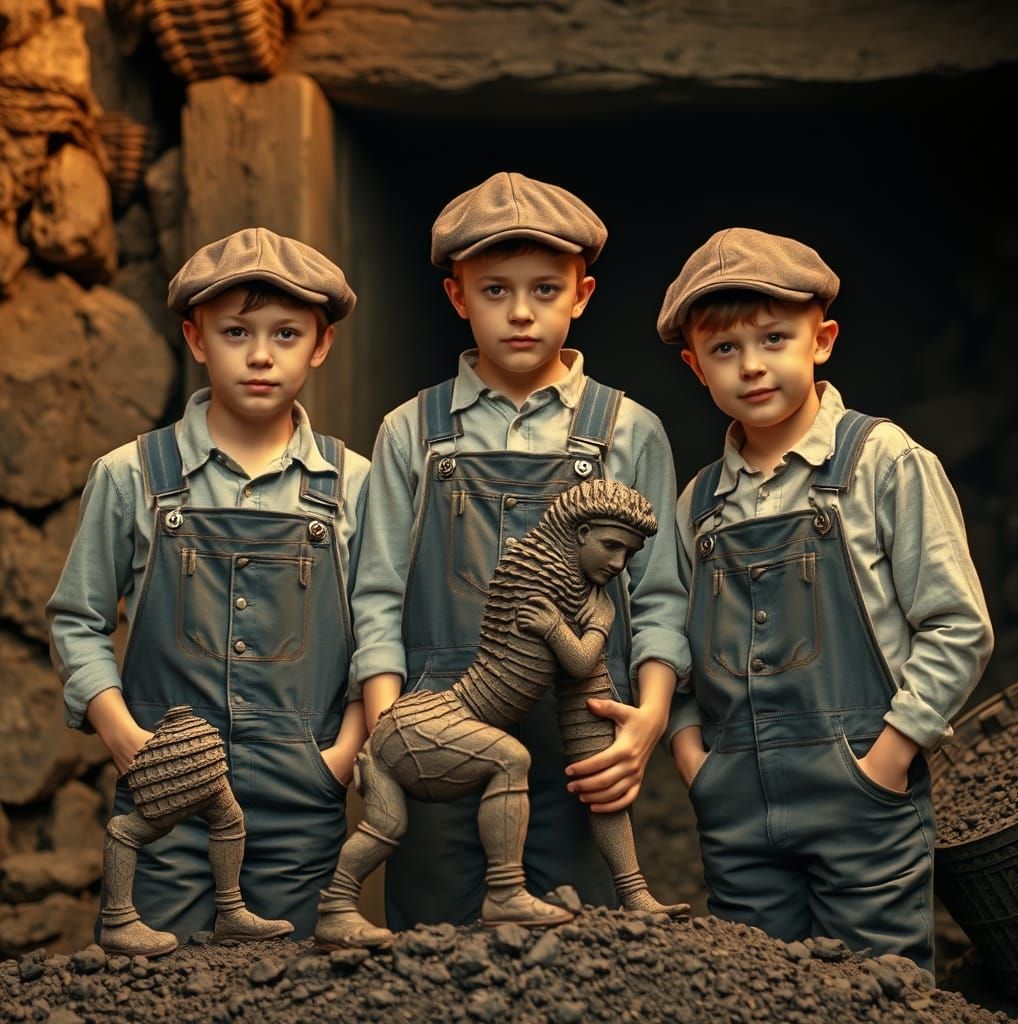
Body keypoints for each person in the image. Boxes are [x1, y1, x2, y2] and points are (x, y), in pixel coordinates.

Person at [349, 171, 689, 929]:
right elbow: (375, 593)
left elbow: (662, 596)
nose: (521, 312)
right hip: (441, 720)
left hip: (579, 737)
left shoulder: (631, 431)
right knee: (432, 945)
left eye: (544, 289)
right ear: (457, 297)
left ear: (583, 294)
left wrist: (649, 718)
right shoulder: (412, 431)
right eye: (495, 290)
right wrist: (385, 724)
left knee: (577, 948)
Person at [659, 226, 994, 970]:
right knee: (758, 990)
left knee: (881, 990)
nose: (752, 365)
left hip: (862, 798)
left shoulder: (884, 462)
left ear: (823, 339)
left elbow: (957, 625)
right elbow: (672, 656)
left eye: (775, 338)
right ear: (694, 367)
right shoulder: (696, 507)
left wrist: (888, 757)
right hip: (736, 811)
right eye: (724, 349)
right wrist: (695, 761)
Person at [46, 227, 371, 947]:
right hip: (165, 787)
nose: (260, 355)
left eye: (286, 333)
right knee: (155, 983)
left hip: (302, 792)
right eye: (235, 332)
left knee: (299, 980)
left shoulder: (356, 484)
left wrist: (342, 756)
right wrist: (125, 739)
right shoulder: (130, 475)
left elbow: (378, 633)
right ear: (196, 339)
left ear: (320, 345)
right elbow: (78, 620)